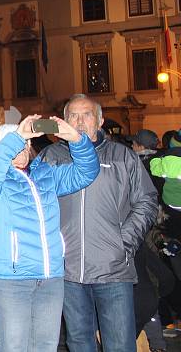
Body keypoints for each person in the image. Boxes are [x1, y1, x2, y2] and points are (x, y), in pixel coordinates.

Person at [40, 94, 158, 352]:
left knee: (119, 343)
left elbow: (147, 200)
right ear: (64, 120)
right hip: (67, 270)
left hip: (112, 270)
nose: (80, 121)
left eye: (87, 115)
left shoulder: (122, 156)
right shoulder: (50, 157)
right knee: (79, 342)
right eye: (73, 115)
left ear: (100, 120)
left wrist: (123, 242)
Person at [0, 116, 99, 351]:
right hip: (11, 280)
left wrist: (76, 139)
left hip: (50, 278)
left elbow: (87, 172)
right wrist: (17, 136)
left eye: (23, 146)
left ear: (30, 146)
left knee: (45, 347)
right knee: (14, 347)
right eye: (10, 148)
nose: (18, 152)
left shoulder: (47, 174)